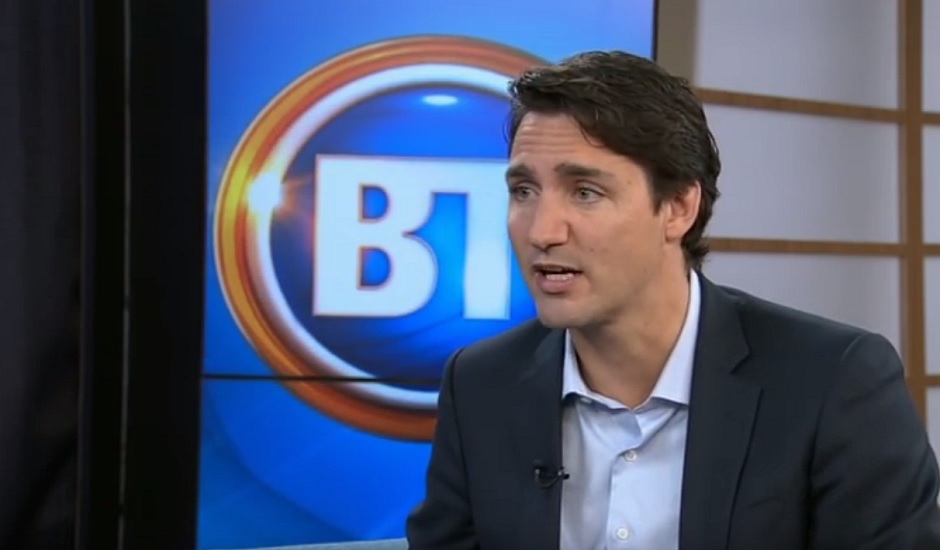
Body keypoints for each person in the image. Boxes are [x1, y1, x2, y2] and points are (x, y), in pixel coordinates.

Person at [404, 51, 940, 550]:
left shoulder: (833, 382)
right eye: (523, 191)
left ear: (679, 207)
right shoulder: (480, 386)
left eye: (586, 192)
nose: (542, 231)